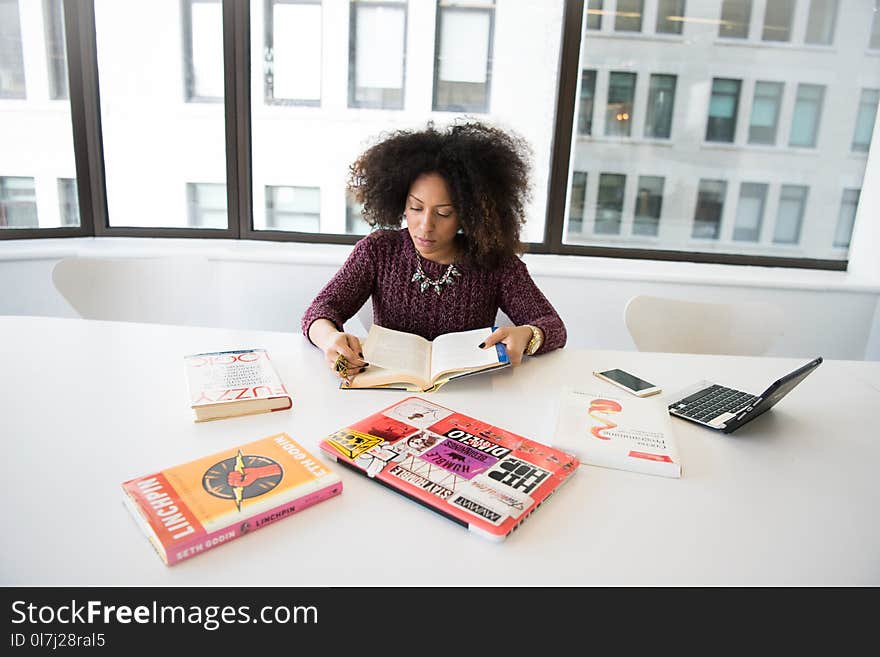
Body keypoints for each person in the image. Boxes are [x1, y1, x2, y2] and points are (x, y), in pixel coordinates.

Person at [301, 120, 567, 384]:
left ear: (467, 215)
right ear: (400, 203)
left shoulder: (494, 263)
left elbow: (553, 326)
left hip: (472, 394)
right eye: (416, 208)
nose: (426, 226)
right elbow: (320, 310)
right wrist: (329, 340)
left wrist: (528, 335)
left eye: (444, 213)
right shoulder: (378, 250)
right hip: (387, 389)